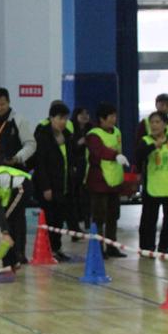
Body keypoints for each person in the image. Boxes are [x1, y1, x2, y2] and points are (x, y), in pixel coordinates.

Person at [30, 101, 76, 261]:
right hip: (48, 186)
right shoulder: (42, 136)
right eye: (60, 118)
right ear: (51, 118)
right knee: (49, 218)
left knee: (59, 219)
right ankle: (48, 249)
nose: (63, 122)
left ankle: (57, 248)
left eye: (65, 118)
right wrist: (45, 187)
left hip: (63, 185)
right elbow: (40, 164)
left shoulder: (68, 136)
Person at [135, 111, 168, 254]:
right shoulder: (146, 140)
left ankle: (167, 246)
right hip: (152, 185)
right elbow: (138, 156)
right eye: (152, 122)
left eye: (157, 122)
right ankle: (147, 246)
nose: (154, 125)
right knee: (149, 218)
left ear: (165, 124)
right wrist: (154, 146)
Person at [85, 103, 128, 257]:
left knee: (113, 215)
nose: (114, 119)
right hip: (99, 181)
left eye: (115, 116)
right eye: (110, 116)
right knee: (99, 216)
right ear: (101, 119)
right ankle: (98, 247)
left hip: (114, 180)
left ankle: (112, 245)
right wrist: (115, 155)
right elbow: (99, 151)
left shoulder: (117, 132)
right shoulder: (93, 135)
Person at [0, 87, 37, 168]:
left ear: (8, 102)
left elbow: (31, 144)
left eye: (2, 104)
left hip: (16, 170)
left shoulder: (19, 120)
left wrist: (17, 158)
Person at [71, 107, 92, 230]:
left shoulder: (91, 128)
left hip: (88, 165)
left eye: (87, 113)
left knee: (86, 194)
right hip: (76, 164)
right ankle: (77, 218)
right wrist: (79, 143)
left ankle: (87, 219)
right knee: (76, 192)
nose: (85, 116)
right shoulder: (71, 127)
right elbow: (69, 147)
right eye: (82, 114)